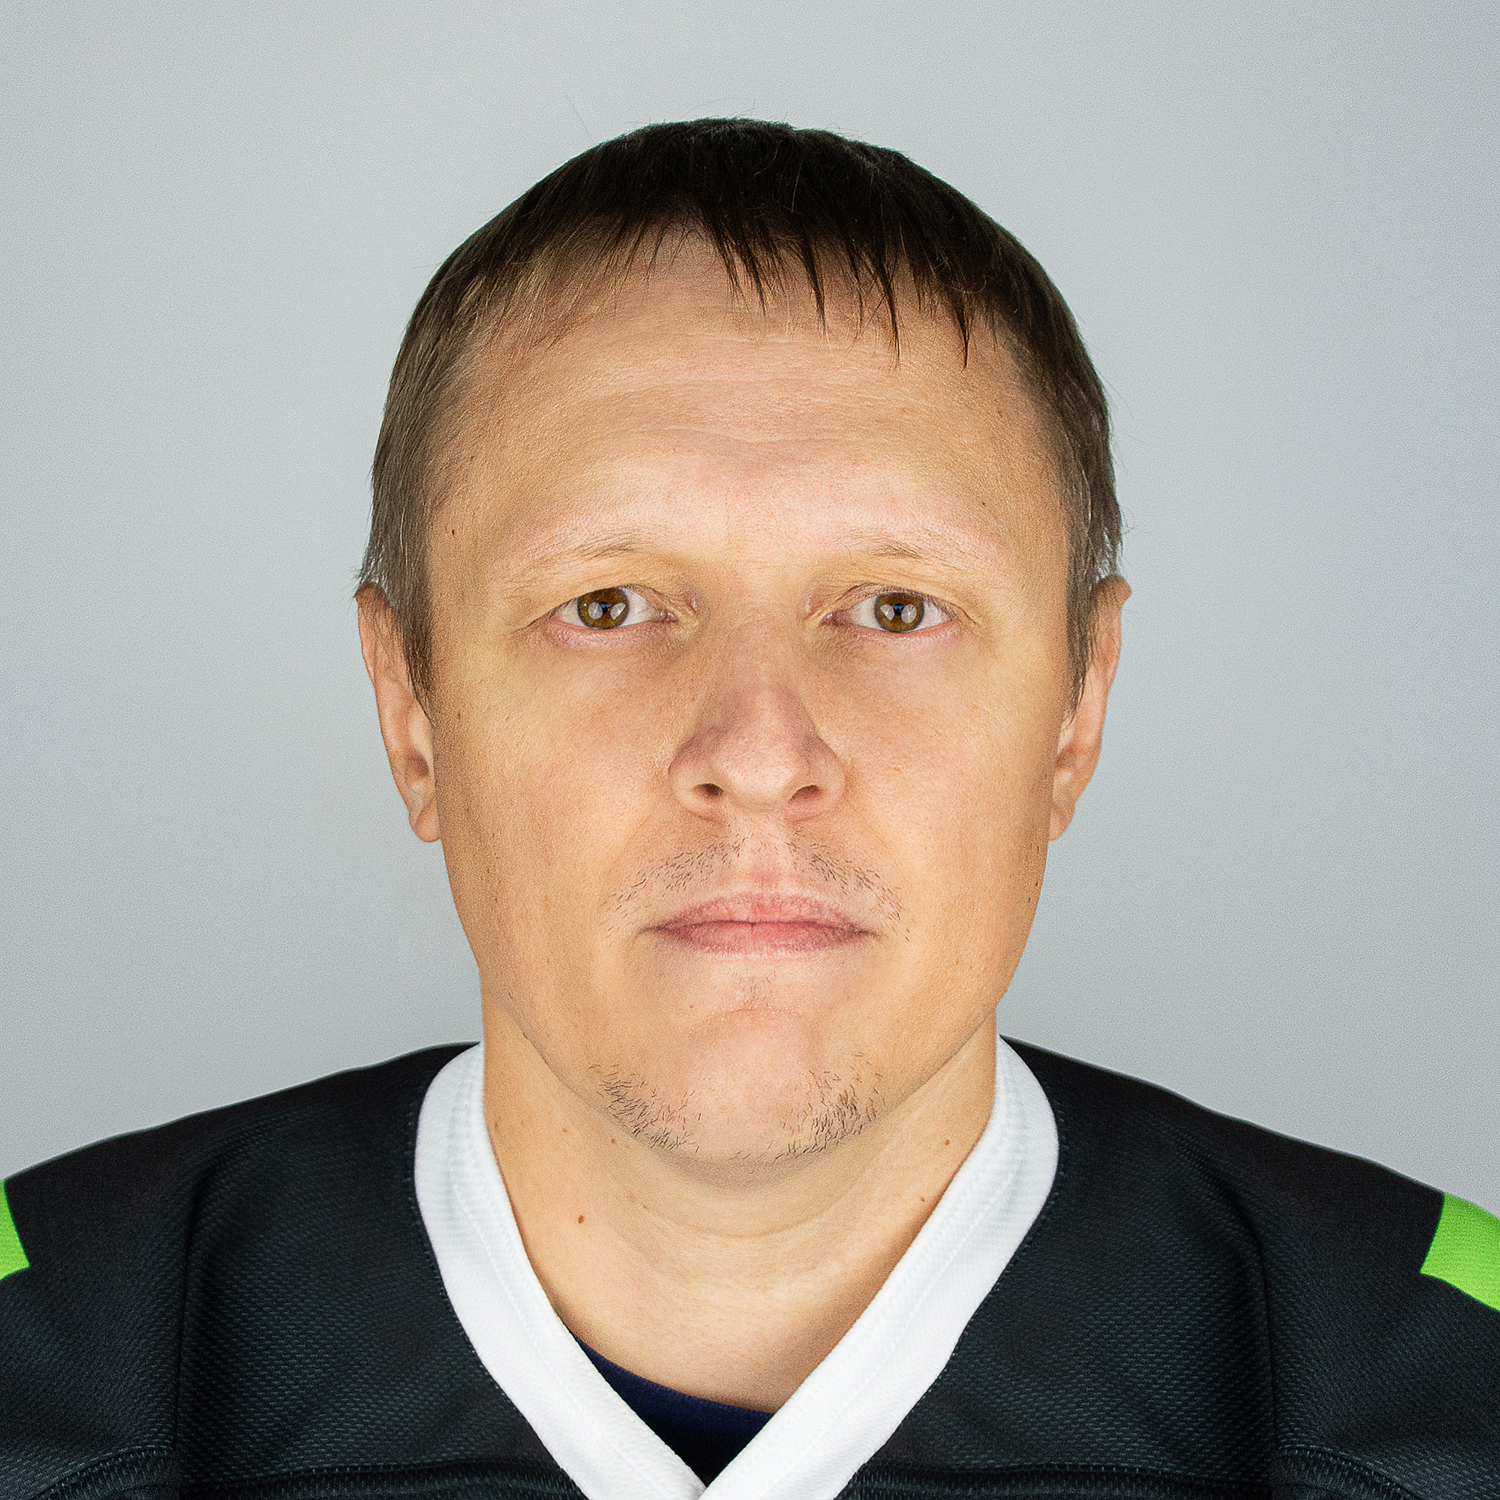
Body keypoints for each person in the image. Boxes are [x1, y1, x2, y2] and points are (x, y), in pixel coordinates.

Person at [1, 118, 1495, 1500]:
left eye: (896, 607)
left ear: (1076, 709)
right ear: (413, 713)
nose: (761, 753)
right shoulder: (50, 1360)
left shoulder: (1440, 1385)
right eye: (608, 604)